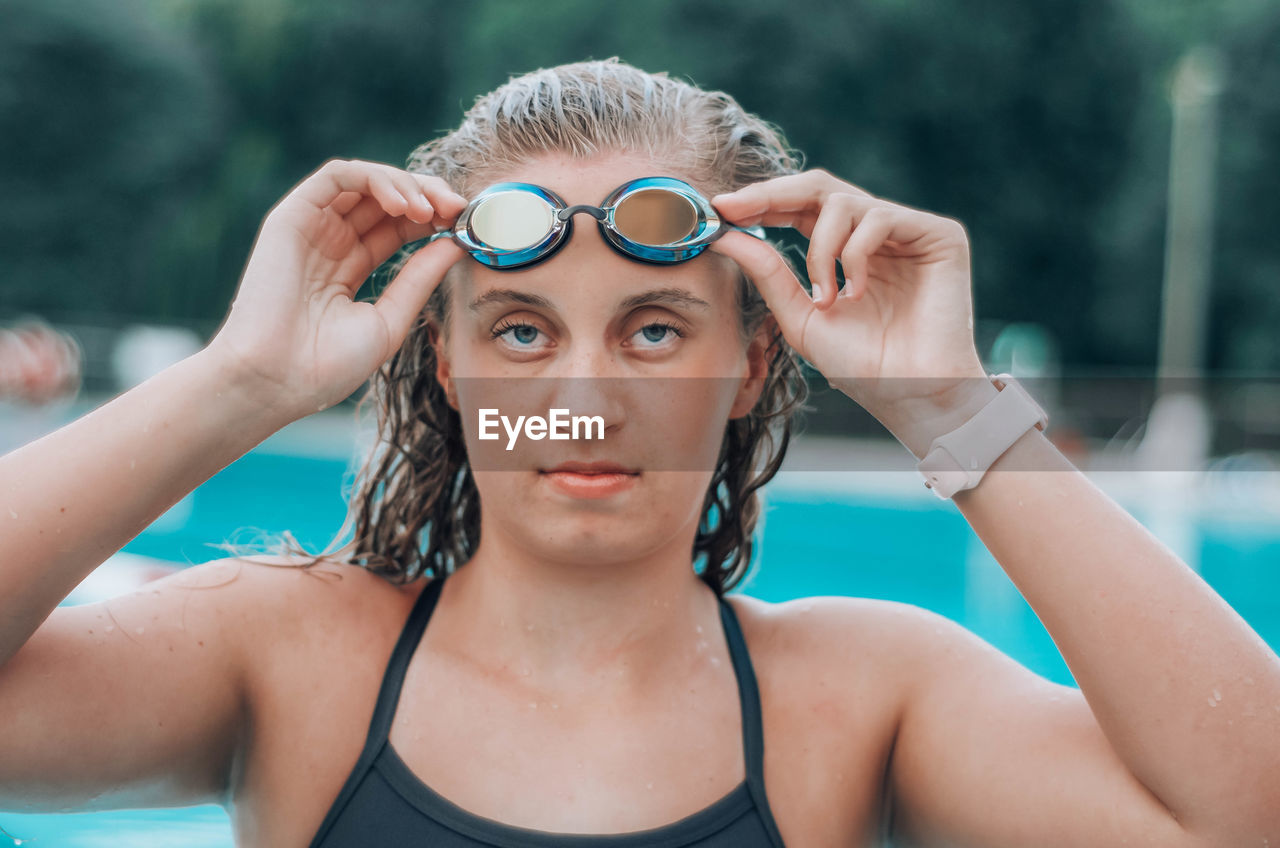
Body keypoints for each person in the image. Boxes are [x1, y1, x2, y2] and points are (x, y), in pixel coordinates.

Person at [1, 57, 1277, 848]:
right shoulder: (286, 659)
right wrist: (239, 384)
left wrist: (950, 408)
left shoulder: (858, 697)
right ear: (444, 364)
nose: (585, 390)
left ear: (752, 364)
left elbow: (1244, 810)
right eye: (517, 327)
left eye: (654, 328)